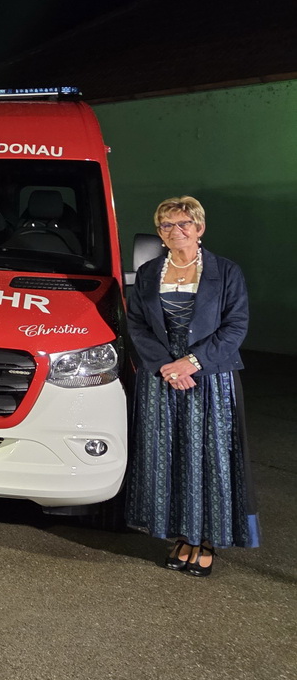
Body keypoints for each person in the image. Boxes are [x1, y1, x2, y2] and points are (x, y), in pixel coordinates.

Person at [125, 195, 258, 576]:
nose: (176, 231)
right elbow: (137, 324)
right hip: (163, 379)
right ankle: (183, 535)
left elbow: (235, 325)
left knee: (210, 458)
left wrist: (192, 362)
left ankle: (207, 539)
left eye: (184, 223)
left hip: (210, 378)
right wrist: (167, 367)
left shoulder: (226, 271)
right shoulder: (149, 272)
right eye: (167, 225)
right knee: (168, 456)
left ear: (200, 228)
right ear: (159, 232)